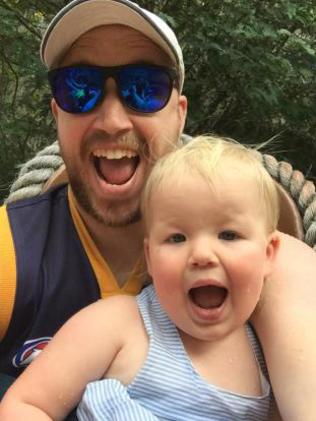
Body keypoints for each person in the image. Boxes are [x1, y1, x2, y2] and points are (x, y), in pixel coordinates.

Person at [0, 0, 316, 419]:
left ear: (179, 113)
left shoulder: (276, 267)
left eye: (144, 88)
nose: (112, 120)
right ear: (57, 113)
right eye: (79, 87)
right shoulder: (10, 253)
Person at [0, 135, 282, 420]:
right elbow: (25, 405)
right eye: (176, 238)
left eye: (228, 235)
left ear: (268, 254)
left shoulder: (269, 354)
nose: (202, 255)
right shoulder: (118, 324)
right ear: (149, 256)